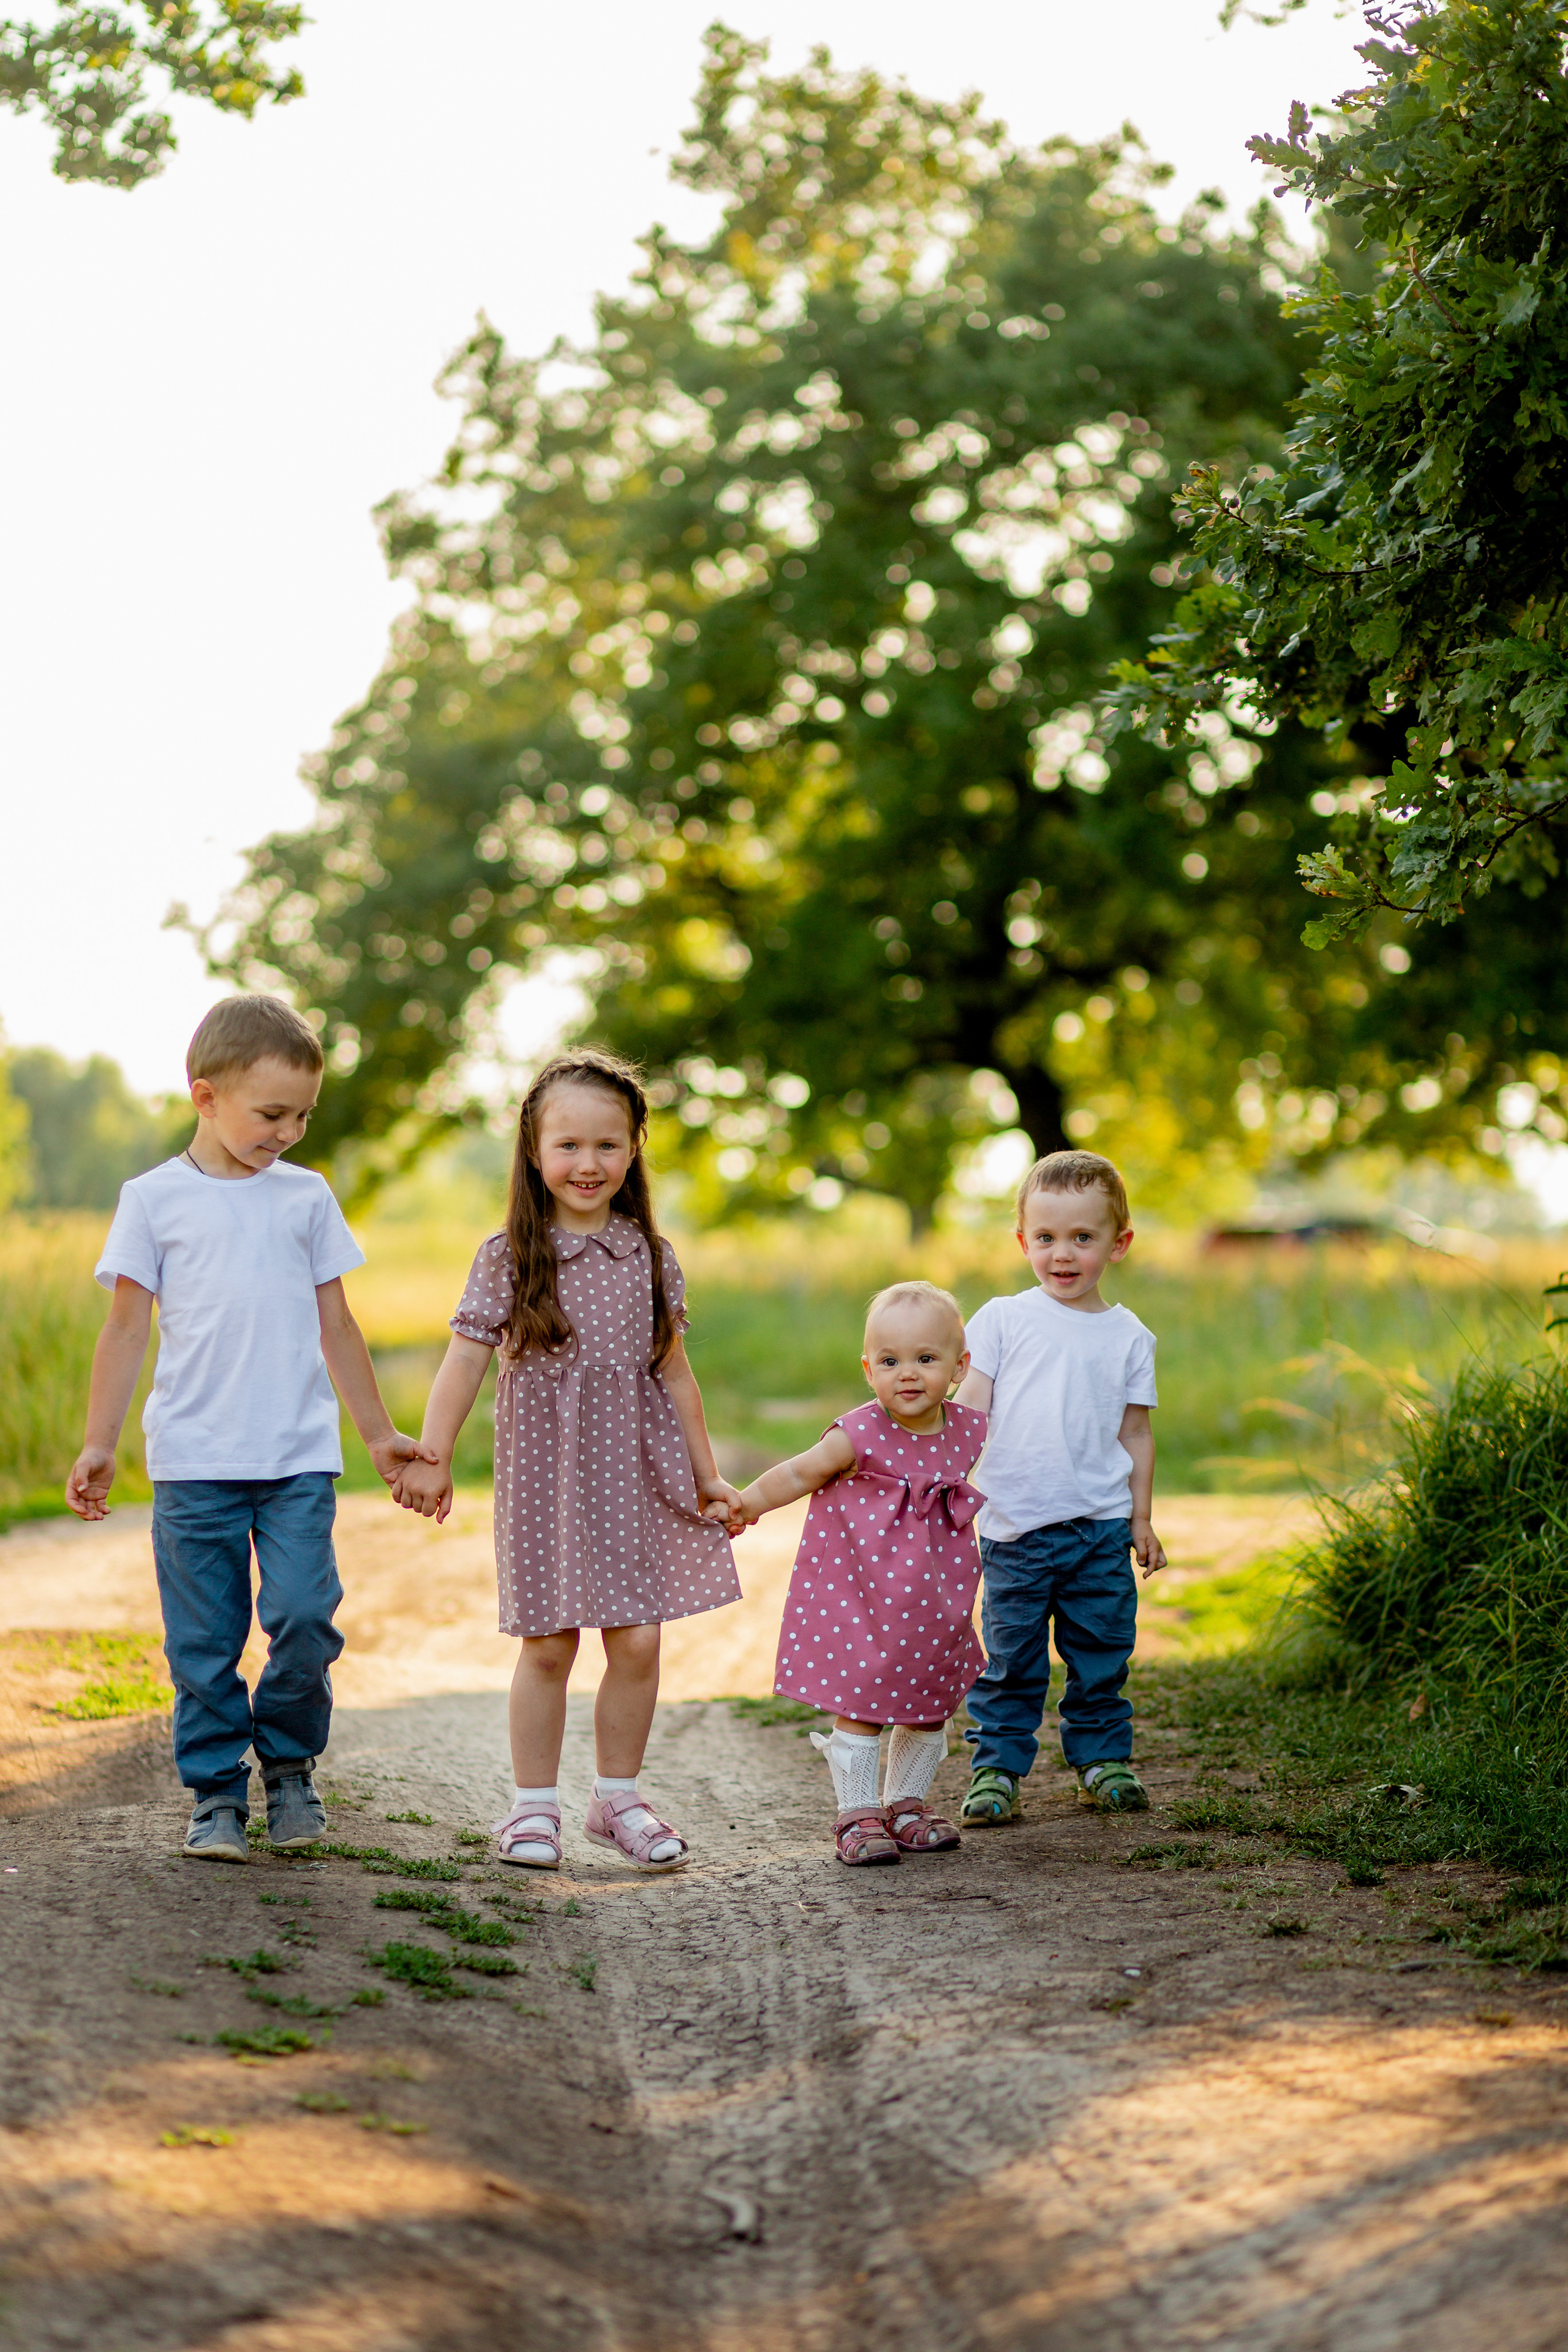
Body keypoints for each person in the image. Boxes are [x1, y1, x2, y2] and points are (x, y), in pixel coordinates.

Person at [66, 995, 431, 1864]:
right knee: (204, 1643)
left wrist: (378, 1435)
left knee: (305, 1616)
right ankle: (218, 1794)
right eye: (273, 1113)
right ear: (206, 1096)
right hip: (194, 1463)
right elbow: (125, 1329)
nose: (289, 1132)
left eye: (303, 1114)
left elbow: (338, 1325)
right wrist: (98, 1441)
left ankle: (292, 1769)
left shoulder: (305, 1198)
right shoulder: (152, 1200)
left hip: (297, 1458)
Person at [392, 1049, 742, 1872]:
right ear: (534, 1151)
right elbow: (464, 1362)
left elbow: (676, 1374)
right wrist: (431, 1456)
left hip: (635, 1475)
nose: (589, 1164)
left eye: (608, 1146)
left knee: (641, 1641)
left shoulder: (649, 1257)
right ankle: (532, 1808)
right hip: (546, 1482)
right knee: (549, 1645)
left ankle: (617, 1796)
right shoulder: (509, 1256)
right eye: (570, 1146)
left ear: (634, 1150)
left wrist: (707, 1474)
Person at [725, 1281, 986, 1866]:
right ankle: (858, 1812)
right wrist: (747, 1503)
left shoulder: (967, 1432)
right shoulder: (861, 1432)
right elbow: (799, 1473)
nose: (908, 1374)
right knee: (865, 1697)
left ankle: (908, 1805)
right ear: (868, 1369)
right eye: (890, 1362)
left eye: (926, 1359)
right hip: (863, 1594)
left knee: (929, 1699)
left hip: (935, 1598)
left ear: (959, 1367)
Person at [953, 1148, 1166, 1828]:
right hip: (1014, 1528)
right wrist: (947, 1485)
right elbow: (970, 1410)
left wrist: (1141, 1520)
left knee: (1101, 1653)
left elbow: (1135, 1435)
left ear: (1118, 1243)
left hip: (1098, 1529)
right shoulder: (1002, 1320)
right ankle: (996, 1769)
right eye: (1045, 1238)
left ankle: (1102, 1760)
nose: (1063, 1254)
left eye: (1083, 1237)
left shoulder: (1130, 1337)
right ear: (1023, 1242)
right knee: (1010, 1658)